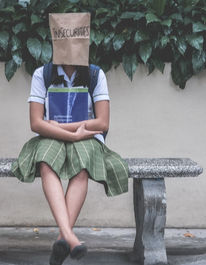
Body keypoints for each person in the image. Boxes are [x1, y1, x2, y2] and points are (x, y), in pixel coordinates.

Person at [11, 24, 129, 265]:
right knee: (45, 162)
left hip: (86, 137)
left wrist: (57, 127)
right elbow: (35, 123)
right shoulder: (41, 74)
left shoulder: (96, 75)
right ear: (55, 44)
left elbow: (103, 122)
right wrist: (71, 132)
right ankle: (69, 237)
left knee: (82, 167)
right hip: (59, 136)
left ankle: (63, 238)